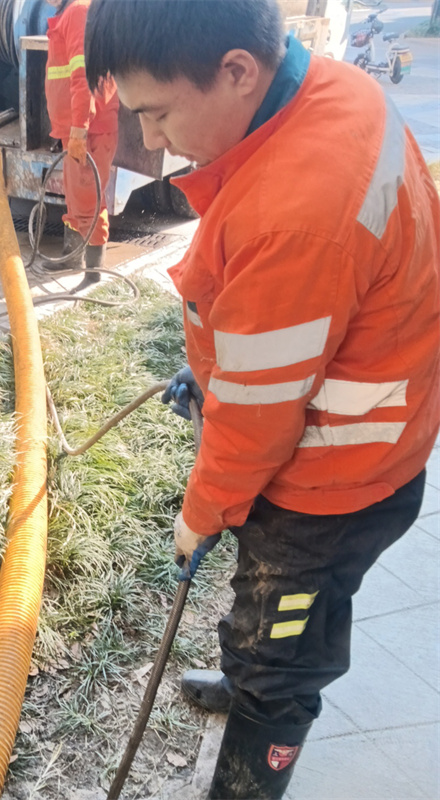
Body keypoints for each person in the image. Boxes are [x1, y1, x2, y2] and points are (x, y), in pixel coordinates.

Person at [85, 1, 440, 798]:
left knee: (282, 649)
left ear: (237, 71)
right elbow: (279, 335)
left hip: (333, 480)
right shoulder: (334, 93)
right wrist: (209, 375)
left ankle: (255, 745)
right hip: (373, 409)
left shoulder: (295, 211)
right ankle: (248, 670)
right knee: (263, 614)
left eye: (159, 112)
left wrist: (199, 515)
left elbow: (258, 419)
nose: (151, 141)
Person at [43, 0, 119, 289]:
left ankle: (93, 274)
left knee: (88, 201)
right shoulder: (71, 13)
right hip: (78, 128)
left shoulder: (77, 12)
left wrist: (79, 129)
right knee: (76, 197)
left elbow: (82, 74)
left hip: (89, 131)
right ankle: (73, 257)